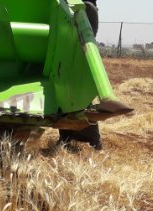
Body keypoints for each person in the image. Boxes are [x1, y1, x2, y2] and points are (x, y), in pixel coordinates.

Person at [59, 0, 103, 150]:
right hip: (66, 49)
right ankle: (66, 138)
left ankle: (93, 141)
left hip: (79, 49)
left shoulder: (86, 7)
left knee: (80, 97)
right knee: (63, 93)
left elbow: (87, 34)